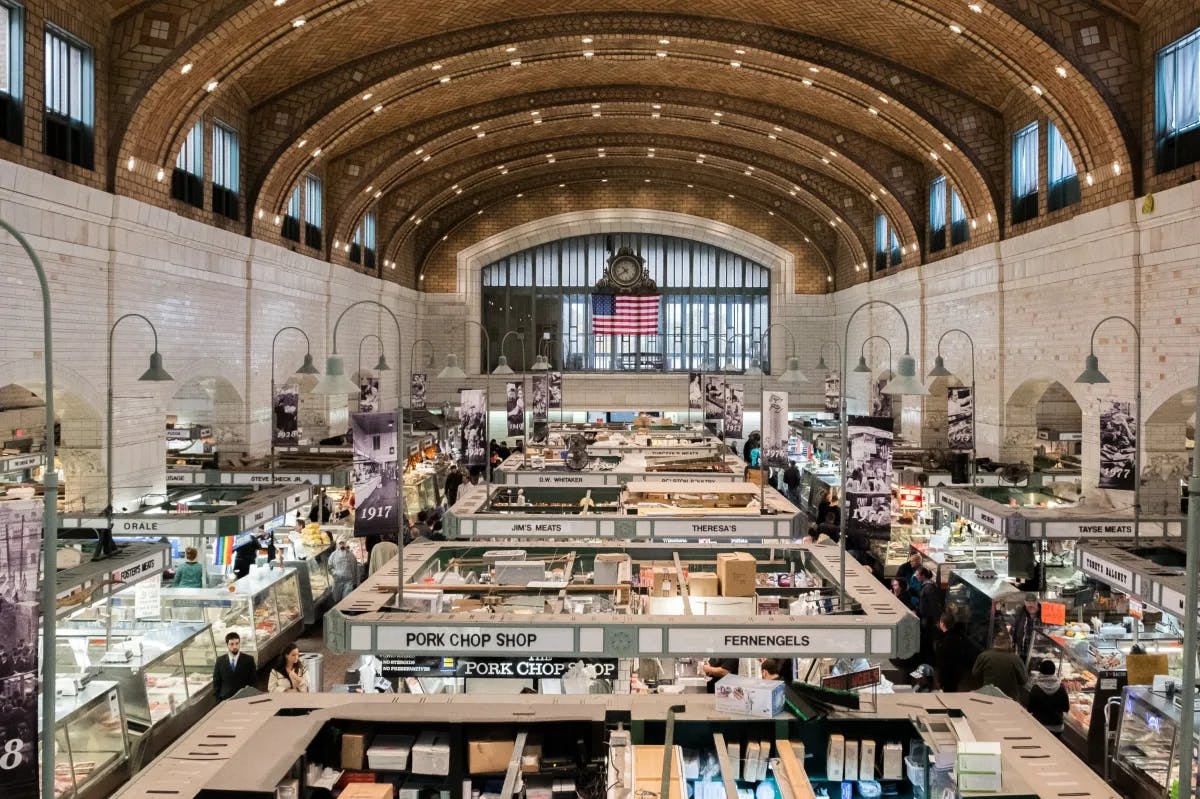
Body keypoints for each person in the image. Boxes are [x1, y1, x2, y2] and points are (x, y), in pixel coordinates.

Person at [972, 631, 1028, 701]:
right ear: (1009, 643)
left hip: (987, 697)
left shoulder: (983, 656)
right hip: (1009, 701)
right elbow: (1024, 680)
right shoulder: (1016, 659)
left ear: (995, 642)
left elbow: (975, 674)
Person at [1026, 659, 1069, 736]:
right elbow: (1066, 708)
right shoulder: (1061, 687)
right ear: (1053, 671)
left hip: (1039, 725)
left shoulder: (1036, 688)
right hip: (1057, 727)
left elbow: (1030, 708)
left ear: (1040, 671)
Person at [212, 632, 257, 701]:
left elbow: (253, 681)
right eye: (232, 644)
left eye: (237, 643)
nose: (235, 647)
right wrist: (218, 700)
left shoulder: (249, 660)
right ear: (227, 645)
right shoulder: (220, 661)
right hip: (225, 699)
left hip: (244, 699)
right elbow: (216, 682)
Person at [934, 612, 972, 692]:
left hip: (947, 676)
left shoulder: (946, 639)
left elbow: (942, 660)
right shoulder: (958, 637)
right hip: (955, 675)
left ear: (942, 623)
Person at [915, 567, 942, 665]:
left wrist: (936, 621)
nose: (916, 577)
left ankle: (930, 662)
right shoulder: (925, 586)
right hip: (926, 618)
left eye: (917, 575)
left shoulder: (929, 587)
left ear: (923, 576)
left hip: (929, 620)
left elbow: (933, 606)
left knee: (928, 641)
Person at [1012, 593, 1041, 663]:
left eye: (1033, 605)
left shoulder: (1044, 613)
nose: (1031, 608)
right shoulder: (1020, 613)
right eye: (1028, 606)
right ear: (1025, 604)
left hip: (1040, 652)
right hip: (1023, 652)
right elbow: (1014, 631)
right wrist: (1013, 647)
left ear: (1037, 602)